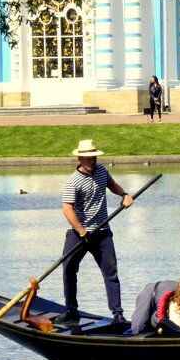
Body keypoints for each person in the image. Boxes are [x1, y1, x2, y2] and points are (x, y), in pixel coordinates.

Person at [57, 139, 133, 325]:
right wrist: (82, 232)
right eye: (88, 158)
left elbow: (112, 184)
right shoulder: (73, 181)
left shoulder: (102, 171)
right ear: (80, 158)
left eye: (94, 157)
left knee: (111, 273)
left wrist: (124, 195)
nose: (92, 161)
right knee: (69, 269)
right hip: (79, 233)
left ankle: (117, 314)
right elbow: (67, 209)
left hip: (102, 233)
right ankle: (71, 310)